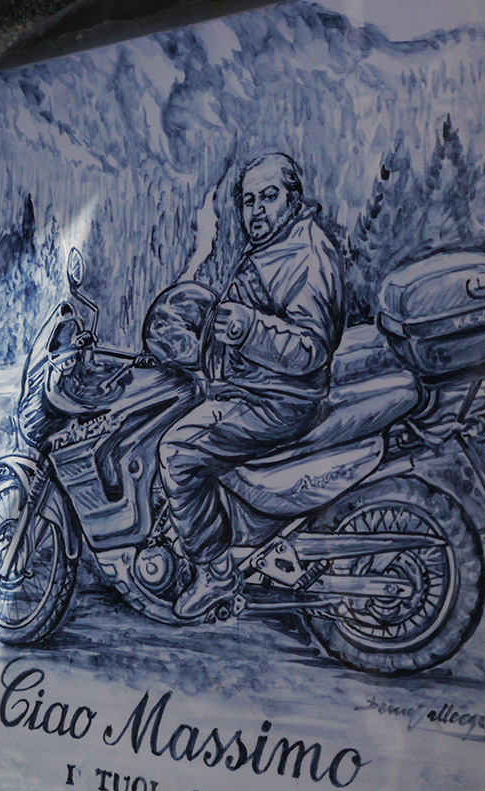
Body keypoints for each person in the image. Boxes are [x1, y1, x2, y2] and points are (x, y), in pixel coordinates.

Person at [158, 152, 344, 620]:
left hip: (278, 401)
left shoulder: (307, 255)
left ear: (293, 199)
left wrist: (248, 329)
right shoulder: (280, 243)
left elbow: (310, 349)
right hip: (256, 387)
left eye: (269, 197)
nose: (256, 210)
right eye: (248, 200)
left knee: (177, 452)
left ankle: (216, 574)